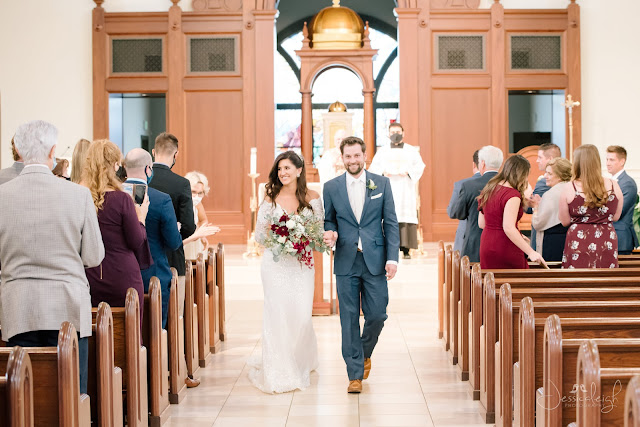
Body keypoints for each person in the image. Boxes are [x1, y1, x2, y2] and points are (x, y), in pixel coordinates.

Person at [0, 120, 104, 394]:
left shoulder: (1, 196)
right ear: (53, 151)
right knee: (70, 394)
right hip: (67, 304)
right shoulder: (78, 195)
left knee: (26, 397)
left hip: (18, 306)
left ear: (18, 151)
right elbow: (94, 256)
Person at [323, 136, 400, 394]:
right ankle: (354, 374)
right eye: (348, 156)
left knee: (377, 314)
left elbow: (390, 222)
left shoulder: (381, 183)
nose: (353, 160)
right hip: (346, 258)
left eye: (357, 156)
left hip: (375, 259)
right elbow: (329, 220)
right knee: (348, 318)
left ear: (364, 156)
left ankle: (363, 353)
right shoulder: (331, 187)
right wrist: (330, 233)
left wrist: (392, 257)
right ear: (341, 158)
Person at [248, 151, 322, 394]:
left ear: (299, 171)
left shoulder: (313, 198)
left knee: (301, 315)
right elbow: (259, 235)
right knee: (278, 314)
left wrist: (302, 237)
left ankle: (300, 360)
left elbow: (318, 232)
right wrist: (281, 238)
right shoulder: (270, 199)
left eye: (288, 168)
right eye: (280, 169)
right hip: (275, 265)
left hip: (302, 264)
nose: (283, 173)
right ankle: (279, 369)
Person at [148, 132, 200, 388]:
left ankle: (149, 373)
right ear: (175, 154)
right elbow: (189, 228)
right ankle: (173, 374)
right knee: (172, 320)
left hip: (141, 263)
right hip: (171, 262)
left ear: (154, 151)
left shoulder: (139, 181)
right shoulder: (180, 184)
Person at [82, 140, 153, 321]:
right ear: (115, 165)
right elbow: (135, 240)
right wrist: (141, 218)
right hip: (122, 276)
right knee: (129, 334)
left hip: (89, 275)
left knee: (94, 334)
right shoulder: (121, 199)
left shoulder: (79, 196)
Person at [124, 148, 182, 328]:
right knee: (155, 331)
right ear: (148, 169)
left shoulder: (110, 196)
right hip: (153, 276)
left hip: (120, 276)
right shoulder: (160, 199)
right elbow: (174, 243)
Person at [559, 144, 623, 268]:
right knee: (606, 280)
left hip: (579, 241)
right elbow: (615, 217)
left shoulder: (569, 188)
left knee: (578, 281)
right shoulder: (614, 185)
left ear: (576, 163)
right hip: (606, 239)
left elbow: (564, 221)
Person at [477, 154, 544, 268]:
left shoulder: (489, 188)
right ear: (522, 174)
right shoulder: (512, 195)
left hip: (487, 243)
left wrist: (519, 236)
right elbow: (508, 228)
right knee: (515, 282)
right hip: (504, 245)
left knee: (491, 282)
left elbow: (482, 223)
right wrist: (531, 252)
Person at [369, 122, 425, 259]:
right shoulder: (382, 151)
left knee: (405, 216)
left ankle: (406, 249)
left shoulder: (411, 150)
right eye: (393, 132)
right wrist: (382, 172)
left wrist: (409, 171)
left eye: (398, 132)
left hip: (405, 188)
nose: (395, 135)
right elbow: (373, 168)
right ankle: (388, 248)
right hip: (389, 188)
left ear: (403, 133)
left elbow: (420, 166)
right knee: (388, 216)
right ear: (388, 134)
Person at [448, 145, 504, 262]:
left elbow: (459, 214)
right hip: (502, 241)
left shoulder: (469, 186)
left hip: (474, 242)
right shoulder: (508, 184)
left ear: (482, 164)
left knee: (472, 278)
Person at [532, 157, 572, 261]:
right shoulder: (572, 189)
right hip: (569, 240)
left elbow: (538, 223)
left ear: (560, 176)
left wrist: (536, 207)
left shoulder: (550, 194)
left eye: (549, 174)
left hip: (552, 243)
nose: (545, 176)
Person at [526, 143, 562, 249]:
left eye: (540, 157)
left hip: (546, 235)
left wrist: (526, 196)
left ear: (550, 159)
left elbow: (531, 208)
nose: (537, 160)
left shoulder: (544, 183)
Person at [606, 145, 639, 255]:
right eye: (607, 159)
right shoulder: (610, 181)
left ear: (622, 161)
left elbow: (618, 211)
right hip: (611, 236)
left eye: (612, 160)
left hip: (621, 237)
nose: (608, 163)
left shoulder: (627, 183)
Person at [447, 150, 480, 252]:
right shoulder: (502, 184)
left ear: (474, 165)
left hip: (467, 236)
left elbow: (452, 212)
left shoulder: (462, 184)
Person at [183, 171, 219, 260]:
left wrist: (201, 234)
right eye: (193, 192)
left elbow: (203, 219)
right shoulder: (180, 203)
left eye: (200, 193)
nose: (196, 196)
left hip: (195, 242)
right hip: (183, 242)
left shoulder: (198, 204)